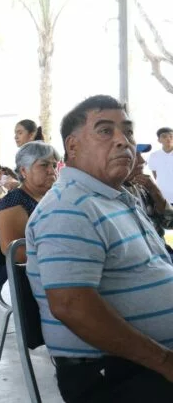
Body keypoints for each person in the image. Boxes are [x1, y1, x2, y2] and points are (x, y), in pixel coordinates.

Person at [26, 95, 173, 402]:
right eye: (105, 131)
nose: (123, 141)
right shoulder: (69, 206)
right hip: (119, 375)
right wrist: (165, 362)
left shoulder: (115, 199)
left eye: (128, 132)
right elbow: (72, 306)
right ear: (73, 146)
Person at [0, 141, 58, 302]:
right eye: (44, 165)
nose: (52, 171)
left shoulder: (49, 197)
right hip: (37, 284)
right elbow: (17, 253)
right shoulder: (15, 202)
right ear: (24, 171)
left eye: (54, 165)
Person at [125, 144, 173, 253]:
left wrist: (155, 191)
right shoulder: (112, 193)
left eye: (141, 155)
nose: (142, 161)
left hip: (163, 253)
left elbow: (170, 224)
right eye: (134, 156)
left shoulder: (143, 188)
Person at [148, 127, 173, 204]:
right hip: (164, 199)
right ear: (159, 140)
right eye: (164, 136)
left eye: (171, 136)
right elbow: (155, 175)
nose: (168, 139)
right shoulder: (153, 156)